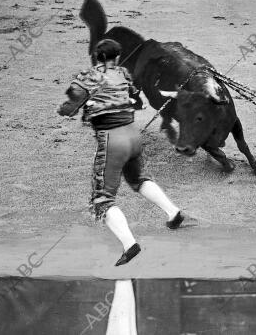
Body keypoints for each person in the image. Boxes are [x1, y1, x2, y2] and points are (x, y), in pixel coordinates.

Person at [58, 39, 188, 266]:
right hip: (133, 135)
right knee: (138, 178)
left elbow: (69, 107)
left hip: (112, 140)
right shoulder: (124, 74)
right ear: (117, 57)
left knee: (102, 199)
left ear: (98, 57)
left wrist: (75, 109)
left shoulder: (89, 77)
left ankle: (130, 244)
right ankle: (173, 212)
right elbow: (132, 96)